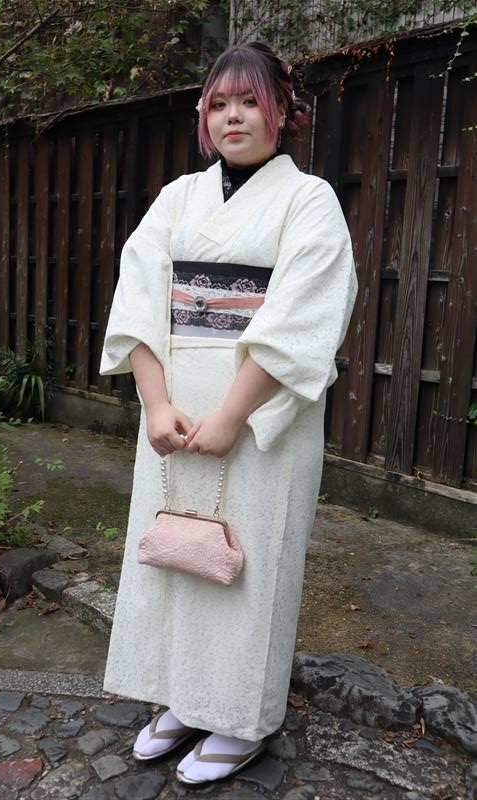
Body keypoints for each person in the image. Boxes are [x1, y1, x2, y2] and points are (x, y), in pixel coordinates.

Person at [99, 41, 357, 786]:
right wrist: (155, 403)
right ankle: (184, 699)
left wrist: (233, 416)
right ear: (203, 116)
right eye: (219, 104)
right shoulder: (178, 196)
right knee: (174, 555)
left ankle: (241, 718)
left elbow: (301, 318)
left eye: (250, 101)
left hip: (261, 410)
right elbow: (139, 298)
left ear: (283, 112)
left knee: (249, 563)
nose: (233, 116)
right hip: (174, 406)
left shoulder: (308, 200)